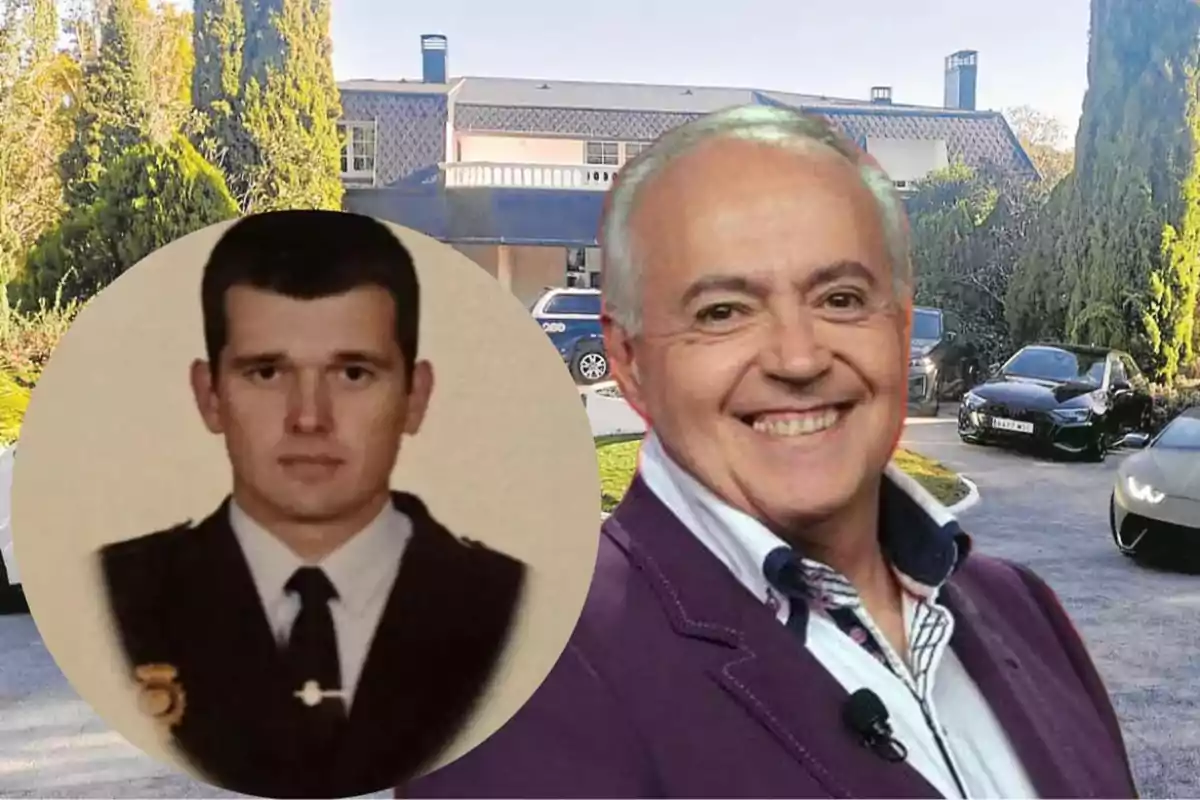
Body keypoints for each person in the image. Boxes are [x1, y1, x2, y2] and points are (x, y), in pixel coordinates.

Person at [401, 106, 1137, 798]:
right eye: (723, 311)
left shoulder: (1025, 609)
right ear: (628, 361)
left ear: (899, 326)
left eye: (842, 298)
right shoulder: (514, 683)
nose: (798, 356)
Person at [97, 210, 527, 799]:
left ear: (414, 396)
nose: (308, 417)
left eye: (353, 372)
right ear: (210, 395)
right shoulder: (115, 594)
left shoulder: (514, 603)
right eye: (267, 371)